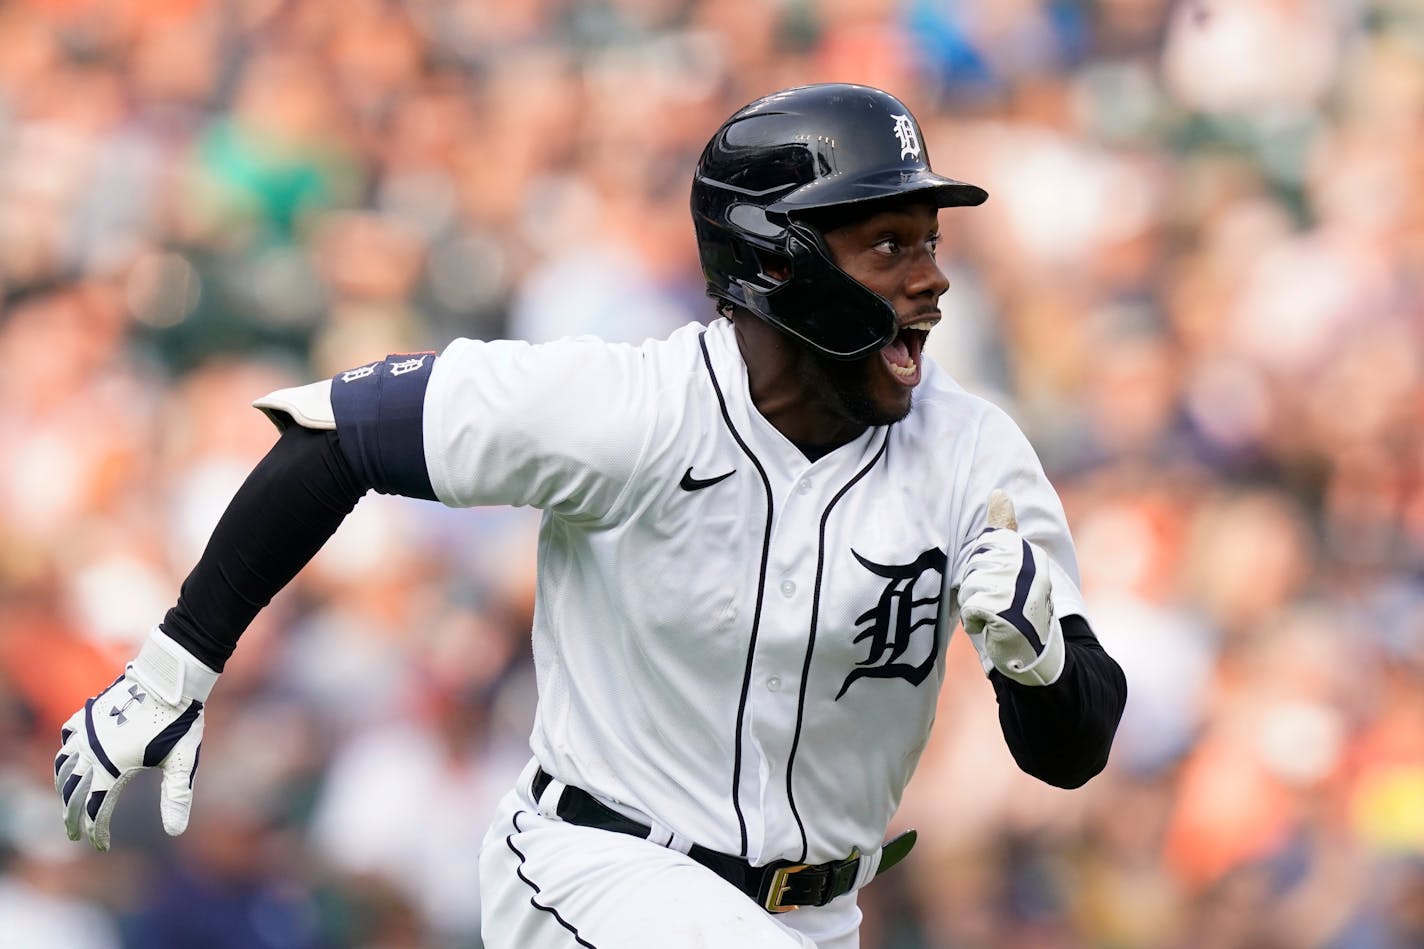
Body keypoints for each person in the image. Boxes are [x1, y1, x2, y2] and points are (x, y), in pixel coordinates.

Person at [52, 83, 1127, 948]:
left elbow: (1071, 754)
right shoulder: (630, 407)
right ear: (773, 259)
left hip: (819, 916)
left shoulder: (973, 454)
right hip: (597, 871)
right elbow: (336, 435)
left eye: (929, 241)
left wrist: (1038, 670)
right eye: (888, 245)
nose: (932, 280)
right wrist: (171, 668)